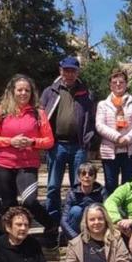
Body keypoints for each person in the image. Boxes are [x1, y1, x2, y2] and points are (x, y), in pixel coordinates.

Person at [0, 74, 56, 239]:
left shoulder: (38, 113)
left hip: (27, 165)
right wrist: (10, 141)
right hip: (2, 163)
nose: (23, 93)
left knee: (29, 201)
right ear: (12, 91)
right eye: (20, 90)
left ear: (32, 93)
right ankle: (11, 237)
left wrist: (32, 142)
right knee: (8, 205)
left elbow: (49, 141)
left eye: (27, 90)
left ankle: (51, 225)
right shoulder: (2, 110)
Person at [42, 56, 97, 230]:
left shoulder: (86, 92)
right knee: (52, 187)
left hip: (78, 146)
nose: (69, 74)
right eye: (66, 70)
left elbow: (92, 118)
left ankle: (74, 223)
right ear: (60, 71)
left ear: (77, 72)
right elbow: (42, 117)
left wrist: (88, 140)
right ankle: (52, 223)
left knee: (78, 186)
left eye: (73, 70)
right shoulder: (50, 91)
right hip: (57, 145)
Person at [95, 69, 132, 197]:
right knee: (110, 185)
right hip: (110, 151)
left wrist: (127, 138)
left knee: (129, 185)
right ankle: (112, 214)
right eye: (114, 82)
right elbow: (100, 125)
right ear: (110, 85)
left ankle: (127, 214)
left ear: (126, 84)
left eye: (121, 82)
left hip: (131, 150)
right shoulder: (103, 105)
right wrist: (117, 138)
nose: (118, 84)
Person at [60, 162, 104, 243]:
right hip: (77, 230)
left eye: (90, 174)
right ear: (79, 177)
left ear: (95, 178)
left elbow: (107, 214)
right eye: (83, 173)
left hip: (95, 226)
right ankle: (76, 242)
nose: (87, 176)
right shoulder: (72, 192)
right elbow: (64, 220)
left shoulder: (102, 192)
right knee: (75, 210)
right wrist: (75, 238)